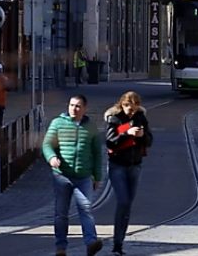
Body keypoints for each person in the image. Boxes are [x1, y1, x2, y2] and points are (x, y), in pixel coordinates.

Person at [42, 95, 104, 256]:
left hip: (83, 177)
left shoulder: (90, 127)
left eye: (78, 106)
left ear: (84, 109)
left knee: (86, 209)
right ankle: (61, 248)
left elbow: (97, 154)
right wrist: (51, 157)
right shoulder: (58, 123)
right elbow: (47, 144)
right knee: (61, 214)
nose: (74, 109)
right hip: (62, 177)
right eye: (71, 105)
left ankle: (91, 243)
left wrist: (98, 177)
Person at [105, 91, 153, 256]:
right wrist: (127, 132)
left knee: (127, 206)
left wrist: (142, 135)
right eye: (128, 108)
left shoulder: (141, 118)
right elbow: (110, 140)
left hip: (135, 166)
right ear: (122, 105)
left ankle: (119, 243)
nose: (131, 112)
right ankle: (117, 244)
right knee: (123, 201)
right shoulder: (115, 118)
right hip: (117, 165)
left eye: (134, 108)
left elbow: (150, 141)